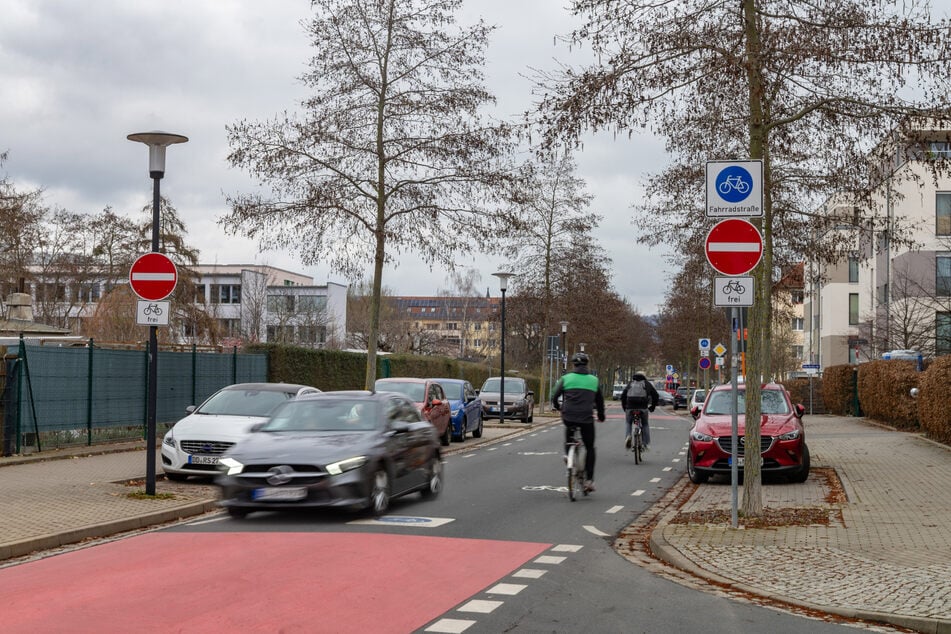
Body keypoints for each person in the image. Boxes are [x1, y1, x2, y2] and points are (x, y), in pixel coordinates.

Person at [551, 352, 606, 492]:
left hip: (568, 416)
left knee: (569, 435)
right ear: (587, 364)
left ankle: (567, 453)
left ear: (573, 365)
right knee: (590, 447)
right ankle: (589, 481)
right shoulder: (594, 380)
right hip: (586, 418)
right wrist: (601, 415)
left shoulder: (565, 378)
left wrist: (558, 407)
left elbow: (554, 396)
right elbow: (600, 401)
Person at [620, 371, 659, 451]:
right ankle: (646, 444)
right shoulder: (646, 383)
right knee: (645, 424)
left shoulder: (630, 383)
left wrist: (625, 407)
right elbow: (655, 395)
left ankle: (628, 436)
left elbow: (623, 395)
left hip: (630, 407)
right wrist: (653, 406)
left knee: (628, 422)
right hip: (643, 408)